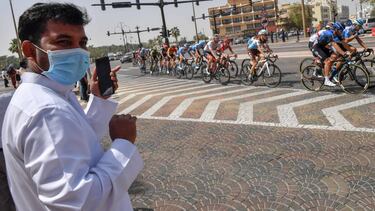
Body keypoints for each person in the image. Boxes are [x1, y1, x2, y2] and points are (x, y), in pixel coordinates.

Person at [2, 3, 143, 211]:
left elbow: (76, 142)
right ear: (30, 49)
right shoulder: (46, 110)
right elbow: (78, 200)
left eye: (82, 42)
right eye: (64, 41)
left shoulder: (49, 94)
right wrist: (123, 143)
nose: (78, 51)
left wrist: (98, 99)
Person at [0, 91, 16, 211]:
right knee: (18, 187)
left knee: (3, 194)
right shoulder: (11, 97)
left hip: (6, 149)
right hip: (8, 150)